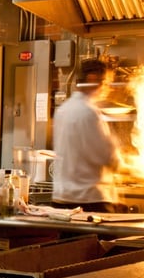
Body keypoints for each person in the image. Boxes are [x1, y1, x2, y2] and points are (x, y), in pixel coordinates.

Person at [52, 58, 125, 213]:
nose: (108, 88)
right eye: (106, 82)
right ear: (92, 79)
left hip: (63, 197)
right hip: (88, 199)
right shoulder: (89, 112)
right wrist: (124, 164)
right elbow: (107, 156)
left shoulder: (63, 109)